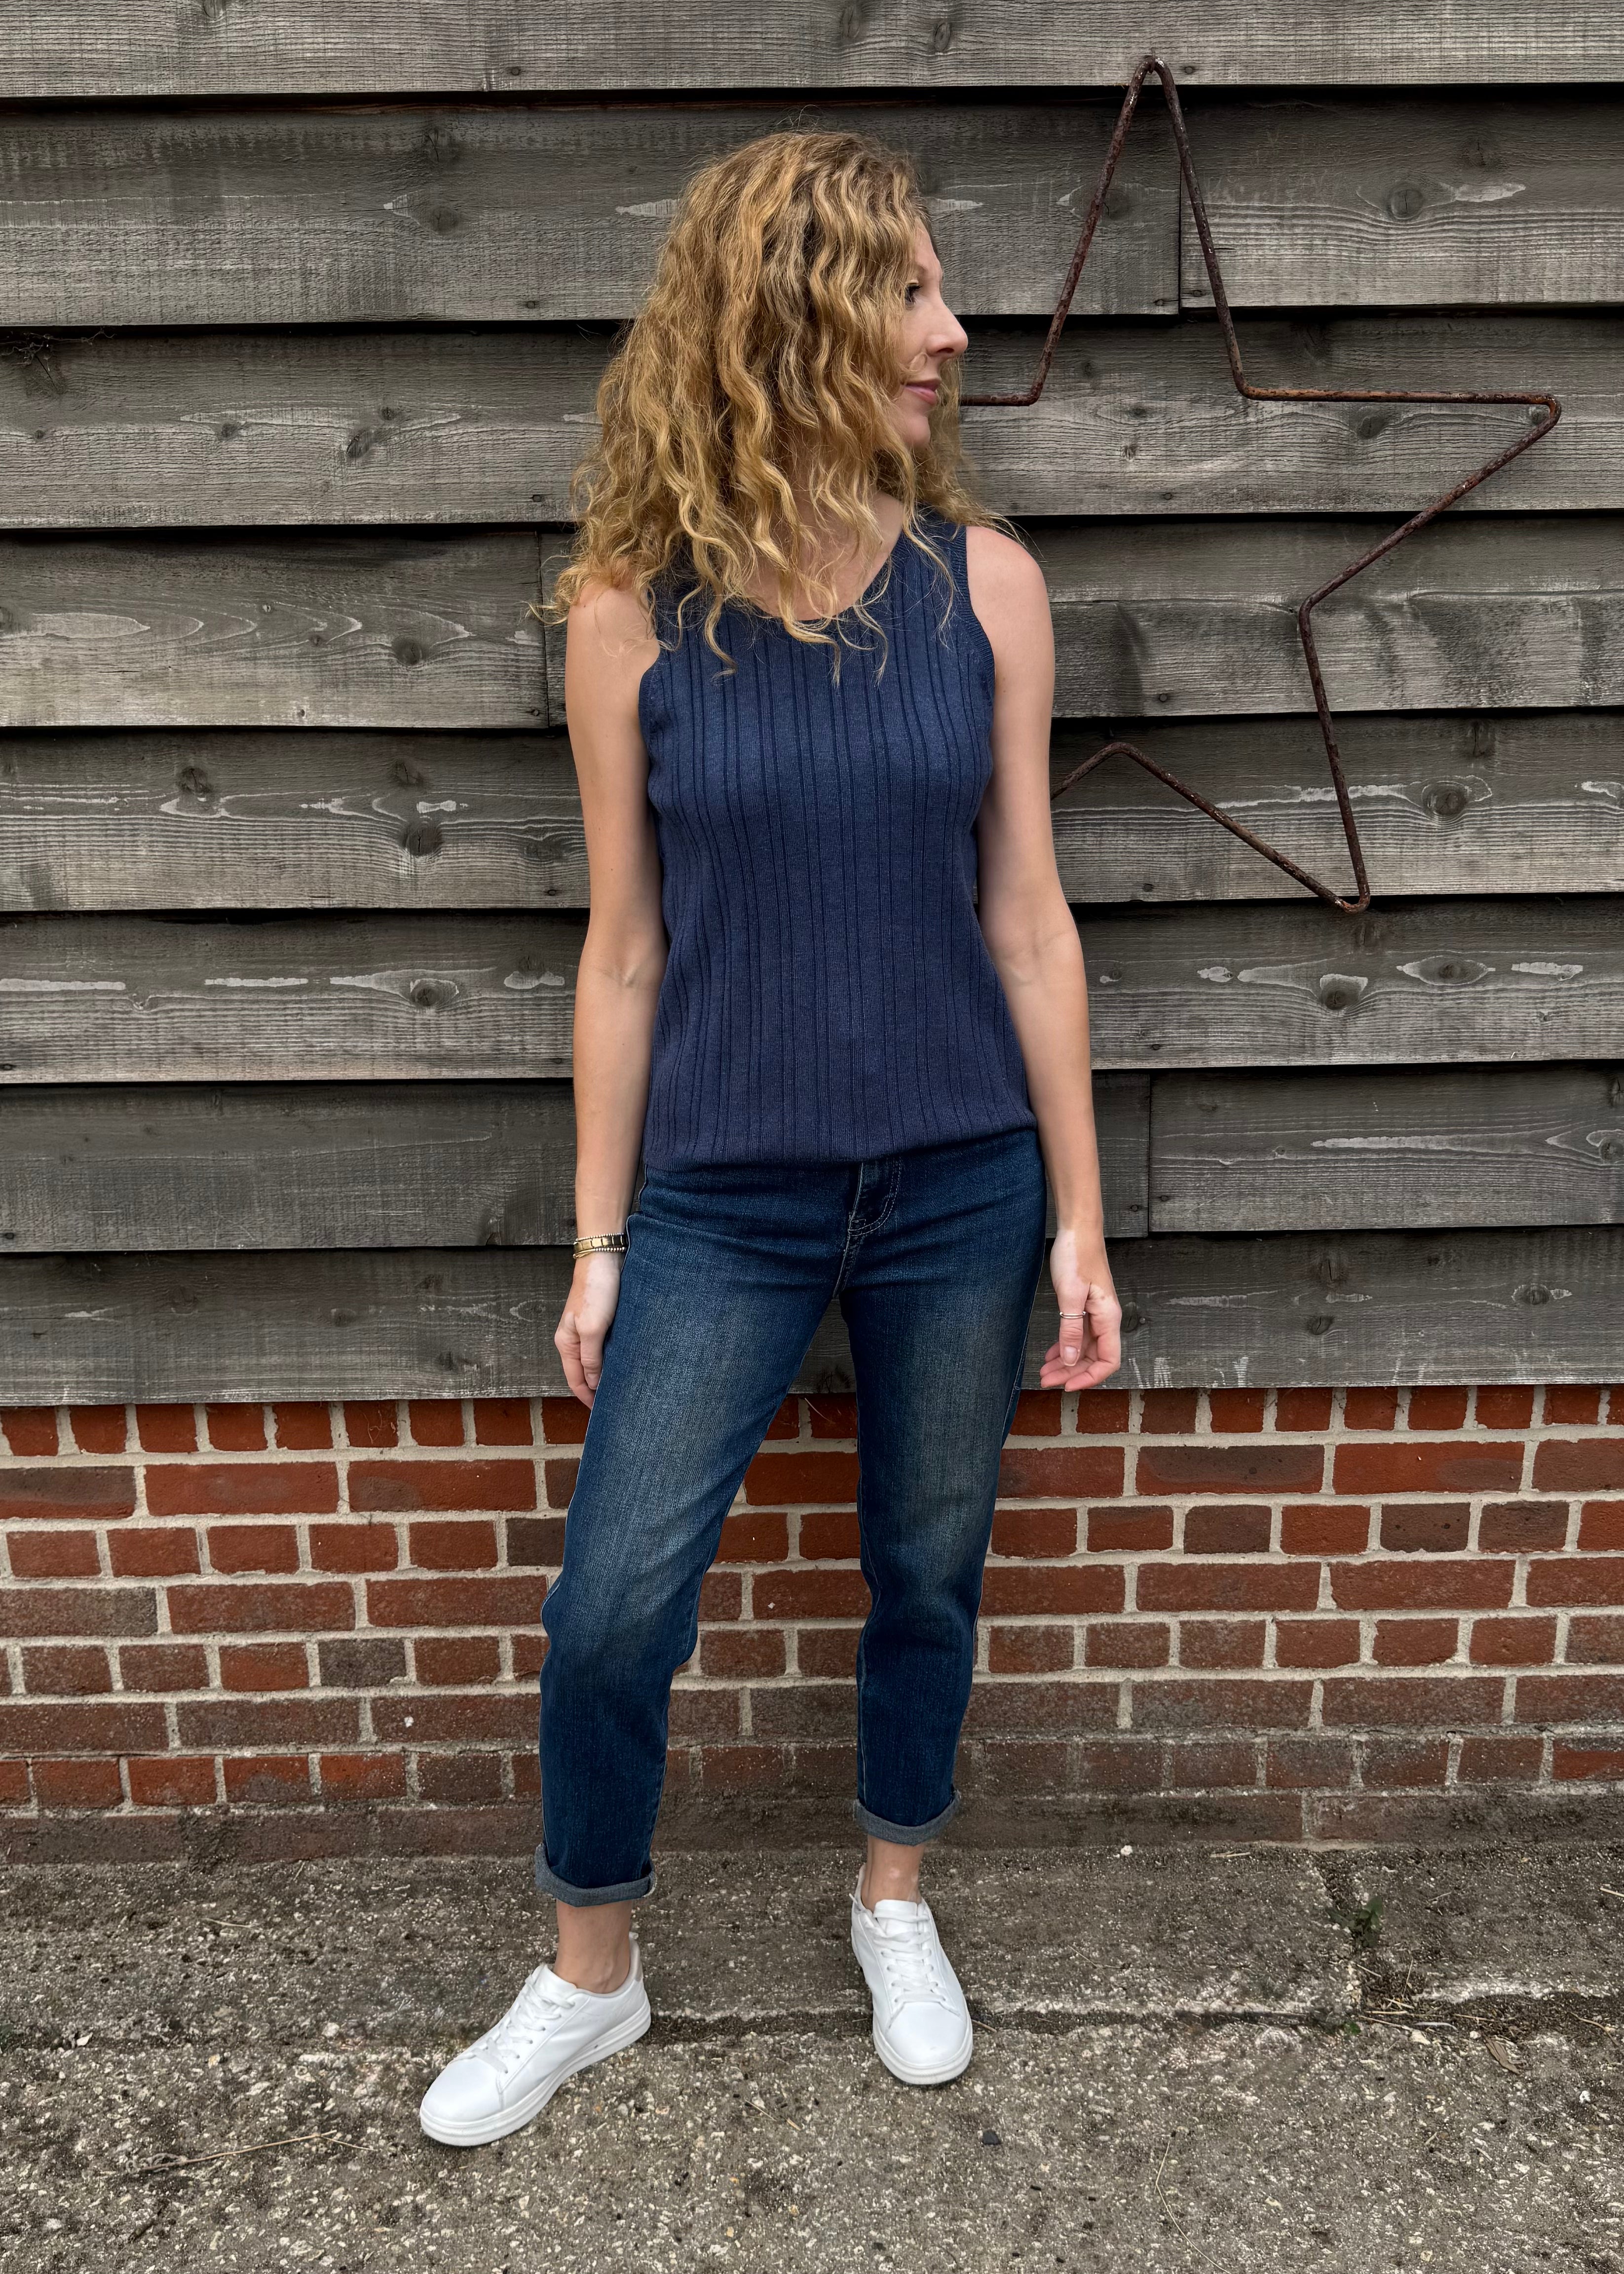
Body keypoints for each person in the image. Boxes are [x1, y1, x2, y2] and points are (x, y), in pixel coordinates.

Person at [419, 127, 1122, 2150]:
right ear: (792, 311)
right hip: (720, 1195)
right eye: (907, 288)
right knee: (614, 1604)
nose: (949, 329)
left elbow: (1027, 913)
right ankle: (590, 1976)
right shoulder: (630, 614)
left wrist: (1076, 1215)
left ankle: (893, 1895)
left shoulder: (985, 586)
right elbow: (623, 954)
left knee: (927, 1558)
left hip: (960, 1182)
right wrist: (599, 1242)